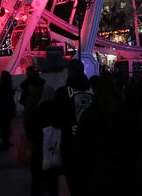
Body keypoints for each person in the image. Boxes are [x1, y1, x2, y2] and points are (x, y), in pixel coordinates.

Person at [53, 59, 92, 196]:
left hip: (70, 143)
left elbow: (56, 119)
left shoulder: (63, 92)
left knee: (74, 183)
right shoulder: (94, 91)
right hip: (91, 143)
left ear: (70, 72)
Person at [0, 71, 17, 151]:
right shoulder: (9, 87)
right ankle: (5, 145)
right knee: (5, 129)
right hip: (7, 111)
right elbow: (10, 100)